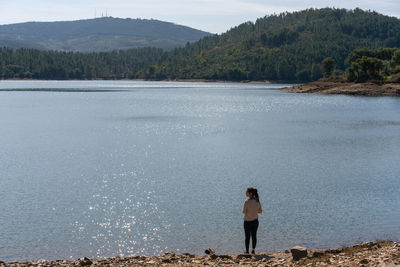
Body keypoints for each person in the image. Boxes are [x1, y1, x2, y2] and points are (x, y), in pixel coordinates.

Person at [242, 187, 262, 254]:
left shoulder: (246, 202)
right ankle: (253, 250)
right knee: (254, 236)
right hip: (255, 221)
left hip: (247, 221)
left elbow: (244, 212)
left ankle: (247, 251)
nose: (245, 193)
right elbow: (260, 211)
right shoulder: (257, 201)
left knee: (247, 237)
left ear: (250, 193)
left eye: (246, 192)